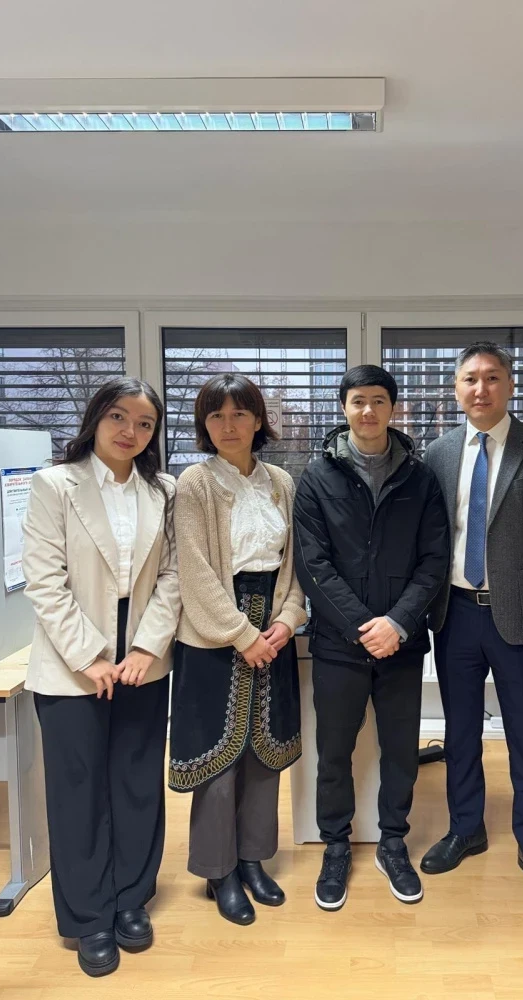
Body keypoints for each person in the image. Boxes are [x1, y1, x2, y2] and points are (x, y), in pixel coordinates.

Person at [21, 377, 180, 978]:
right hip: (70, 666)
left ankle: (131, 898)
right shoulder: (54, 485)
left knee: (137, 783)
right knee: (79, 792)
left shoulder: (163, 490)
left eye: (144, 423)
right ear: (96, 418)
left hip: (142, 662)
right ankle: (89, 915)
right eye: (118, 416)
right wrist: (90, 657)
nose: (129, 431)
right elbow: (45, 580)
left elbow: (172, 576)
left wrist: (143, 648)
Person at [293, 364, 449, 910]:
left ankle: (393, 842)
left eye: (378, 400)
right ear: (344, 407)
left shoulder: (420, 478)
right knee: (334, 752)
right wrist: (364, 627)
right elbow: (313, 564)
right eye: (358, 400)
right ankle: (335, 846)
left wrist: (397, 623)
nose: (368, 410)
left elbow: (434, 561)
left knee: (400, 750)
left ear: (392, 408)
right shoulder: (317, 477)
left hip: (402, 644)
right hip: (339, 644)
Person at [419, 342, 523, 912]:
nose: (480, 389)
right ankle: (466, 828)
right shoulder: (438, 453)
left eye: (492, 378)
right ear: (456, 388)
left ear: (510, 383)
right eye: (470, 379)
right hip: (454, 614)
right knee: (460, 733)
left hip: (520, 617)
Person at [169, 373, 307, 927]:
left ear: (258, 420)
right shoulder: (194, 483)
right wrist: (242, 634)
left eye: (239, 414)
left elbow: (295, 564)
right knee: (218, 758)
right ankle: (218, 871)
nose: (229, 425)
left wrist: (287, 620)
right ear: (204, 425)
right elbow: (194, 570)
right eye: (216, 415)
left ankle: (252, 859)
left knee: (263, 754)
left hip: (273, 628)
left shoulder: (281, 481)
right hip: (213, 634)